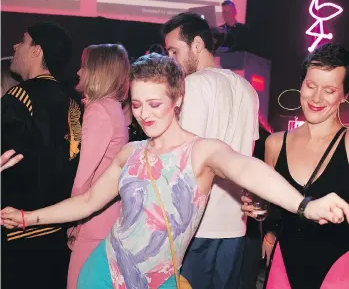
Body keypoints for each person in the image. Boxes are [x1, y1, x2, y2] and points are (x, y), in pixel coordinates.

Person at [2, 53, 349, 289]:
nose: (144, 115)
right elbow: (88, 202)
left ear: (178, 98)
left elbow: (245, 167)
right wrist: (26, 217)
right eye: (136, 104)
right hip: (102, 272)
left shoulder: (201, 152)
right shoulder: (130, 153)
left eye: (155, 104)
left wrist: (305, 205)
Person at [162, 12, 259, 288]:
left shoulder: (193, 85)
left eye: (174, 51)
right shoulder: (247, 89)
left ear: (196, 44)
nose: (171, 59)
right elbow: (246, 156)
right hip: (234, 226)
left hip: (196, 226)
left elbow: (185, 159)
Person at [243, 43, 349, 289]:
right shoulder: (275, 144)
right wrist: (262, 216)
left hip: (340, 269)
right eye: (311, 86)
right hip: (284, 265)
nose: (316, 97)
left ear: (344, 95)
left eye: (330, 90)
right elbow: (270, 206)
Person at [1, 22, 82, 289]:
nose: (15, 46)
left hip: (16, 235)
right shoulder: (75, 101)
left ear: (37, 50)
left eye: (23, 41)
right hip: (58, 233)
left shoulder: (19, 97)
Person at [66, 44, 129, 289]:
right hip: (109, 214)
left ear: (97, 71)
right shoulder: (114, 108)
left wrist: (73, 223)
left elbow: (84, 176)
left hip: (95, 219)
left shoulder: (99, 110)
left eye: (84, 66)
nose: (79, 73)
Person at [240, 115, 273, 289]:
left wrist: (271, 232)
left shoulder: (264, 141)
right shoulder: (264, 139)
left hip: (253, 216)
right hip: (253, 217)